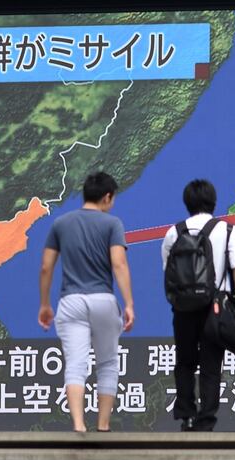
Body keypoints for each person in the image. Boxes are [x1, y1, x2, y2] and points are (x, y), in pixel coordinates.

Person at [38, 171, 135, 432]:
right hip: (103, 299)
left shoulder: (61, 223)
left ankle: (79, 425)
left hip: (71, 302)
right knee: (107, 363)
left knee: (76, 365)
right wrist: (128, 303)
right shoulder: (112, 224)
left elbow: (46, 267)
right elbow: (119, 263)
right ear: (107, 197)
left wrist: (45, 304)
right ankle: (103, 426)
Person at [161, 179, 235, 431]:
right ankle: (206, 421)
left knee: (185, 362)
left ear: (187, 203)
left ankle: (186, 415)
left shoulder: (174, 232)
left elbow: (168, 272)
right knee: (212, 364)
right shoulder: (227, 230)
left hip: (183, 308)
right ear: (213, 202)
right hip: (216, 306)